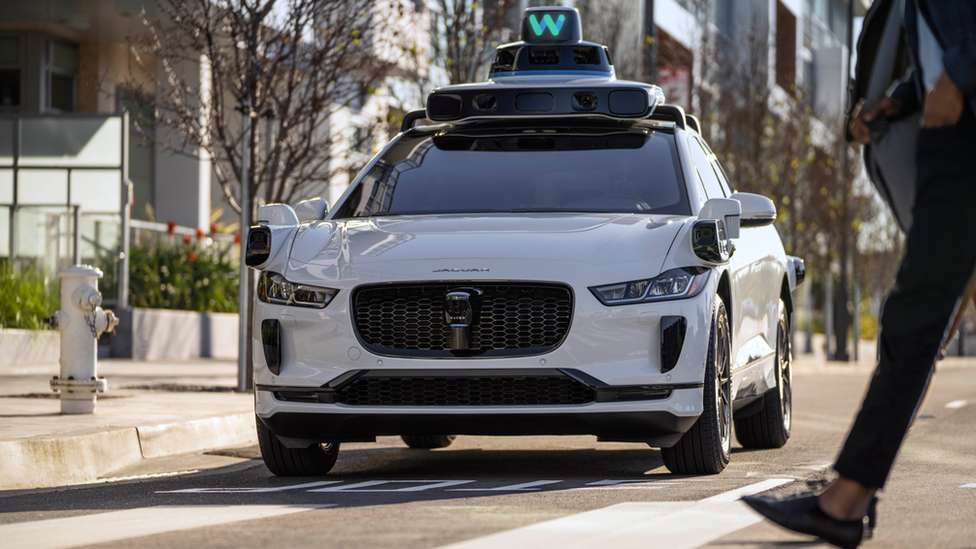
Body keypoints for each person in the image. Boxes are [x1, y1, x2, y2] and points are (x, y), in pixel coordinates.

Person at [742, 2, 976, 549]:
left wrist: (957, 82)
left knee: (917, 317)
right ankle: (849, 495)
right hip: (953, 124)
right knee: (919, 318)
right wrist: (902, 97)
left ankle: (847, 499)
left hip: (963, 133)